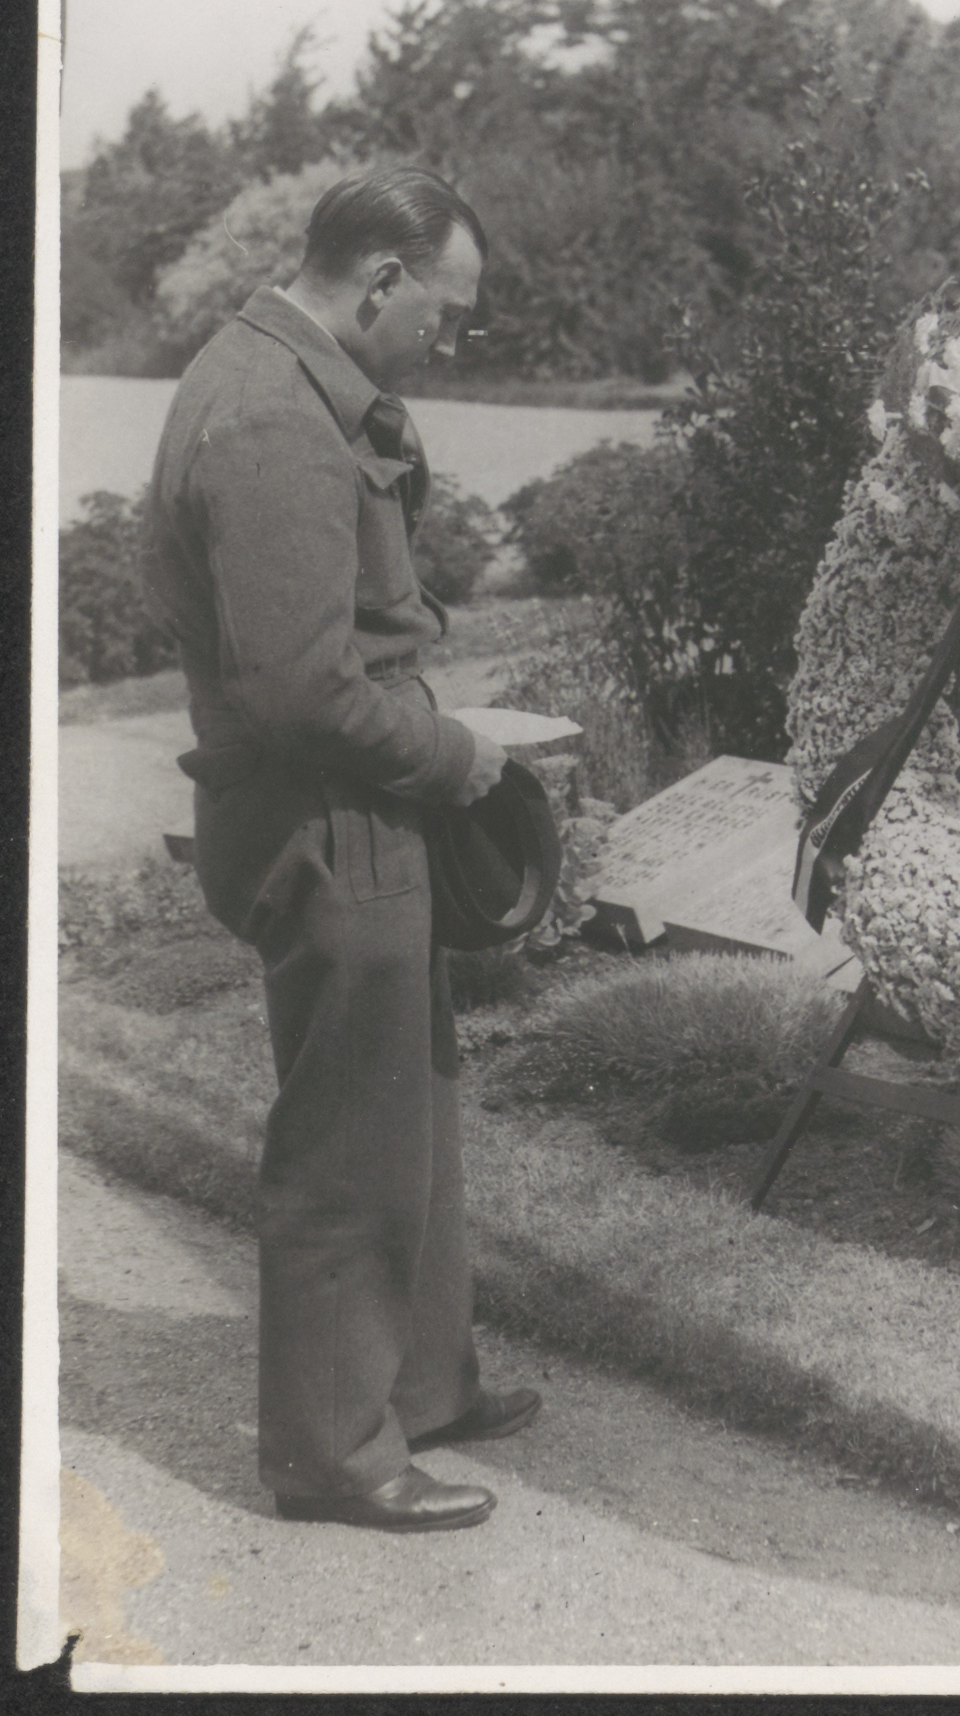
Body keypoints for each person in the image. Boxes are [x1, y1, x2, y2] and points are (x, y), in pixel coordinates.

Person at [142, 167, 540, 1533]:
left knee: (406, 1103)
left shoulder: (290, 382)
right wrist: (457, 756)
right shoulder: (272, 418)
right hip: (324, 815)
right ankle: (329, 1452)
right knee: (345, 1141)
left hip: (354, 806)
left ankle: (418, 1386)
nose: (453, 341)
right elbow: (299, 692)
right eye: (448, 312)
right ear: (380, 281)